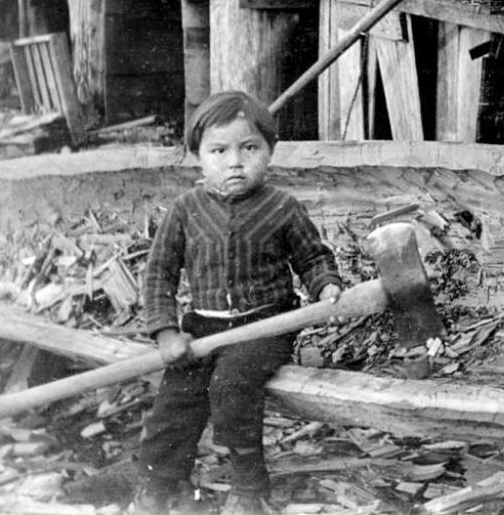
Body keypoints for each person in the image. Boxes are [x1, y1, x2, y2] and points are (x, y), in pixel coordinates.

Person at [130, 91, 345, 515]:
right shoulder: (185, 210)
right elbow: (158, 273)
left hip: (265, 325)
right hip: (204, 326)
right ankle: (159, 485)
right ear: (199, 157)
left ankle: (249, 487)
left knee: (231, 388)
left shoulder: (282, 208)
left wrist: (326, 287)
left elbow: (313, 257)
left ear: (269, 151)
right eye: (219, 150)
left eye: (250, 148)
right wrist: (166, 330)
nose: (235, 162)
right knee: (176, 399)